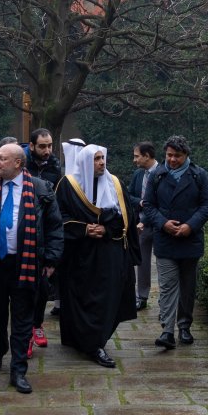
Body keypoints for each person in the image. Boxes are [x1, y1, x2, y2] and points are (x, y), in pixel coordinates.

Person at [0, 142, 64, 394]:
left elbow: (54, 226)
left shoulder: (40, 189)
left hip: (26, 264)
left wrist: (51, 260)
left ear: (18, 163)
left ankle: (18, 370)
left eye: (2, 158)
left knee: (22, 319)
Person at [56, 144, 139, 367]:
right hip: (79, 255)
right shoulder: (68, 185)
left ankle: (96, 343)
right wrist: (83, 229)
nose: (102, 162)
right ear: (85, 162)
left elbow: (127, 217)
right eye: (96, 159)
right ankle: (82, 340)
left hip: (108, 253)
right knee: (80, 297)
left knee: (107, 298)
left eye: (103, 158)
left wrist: (106, 229)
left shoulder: (115, 184)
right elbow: (57, 216)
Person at [142, 135, 208, 350]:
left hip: (190, 241)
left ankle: (184, 326)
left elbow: (207, 205)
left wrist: (190, 226)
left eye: (178, 156)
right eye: (169, 155)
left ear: (186, 155)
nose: (172, 160)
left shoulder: (199, 175)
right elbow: (148, 205)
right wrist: (163, 223)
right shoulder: (157, 175)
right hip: (165, 240)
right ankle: (167, 330)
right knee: (167, 285)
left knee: (187, 287)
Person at [23, 128, 63, 350]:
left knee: (42, 287)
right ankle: (24, 332)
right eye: (42, 146)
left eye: (49, 146)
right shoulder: (22, 164)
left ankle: (37, 324)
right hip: (24, 231)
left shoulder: (55, 167)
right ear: (31, 146)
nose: (47, 150)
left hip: (45, 233)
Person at [129, 141, 159, 310]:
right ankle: (142, 296)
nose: (134, 160)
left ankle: (165, 302)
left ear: (147, 156)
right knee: (142, 262)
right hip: (141, 226)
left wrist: (145, 219)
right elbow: (128, 195)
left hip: (160, 225)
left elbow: (160, 203)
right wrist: (140, 202)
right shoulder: (138, 174)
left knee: (163, 264)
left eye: (137, 156)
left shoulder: (163, 173)